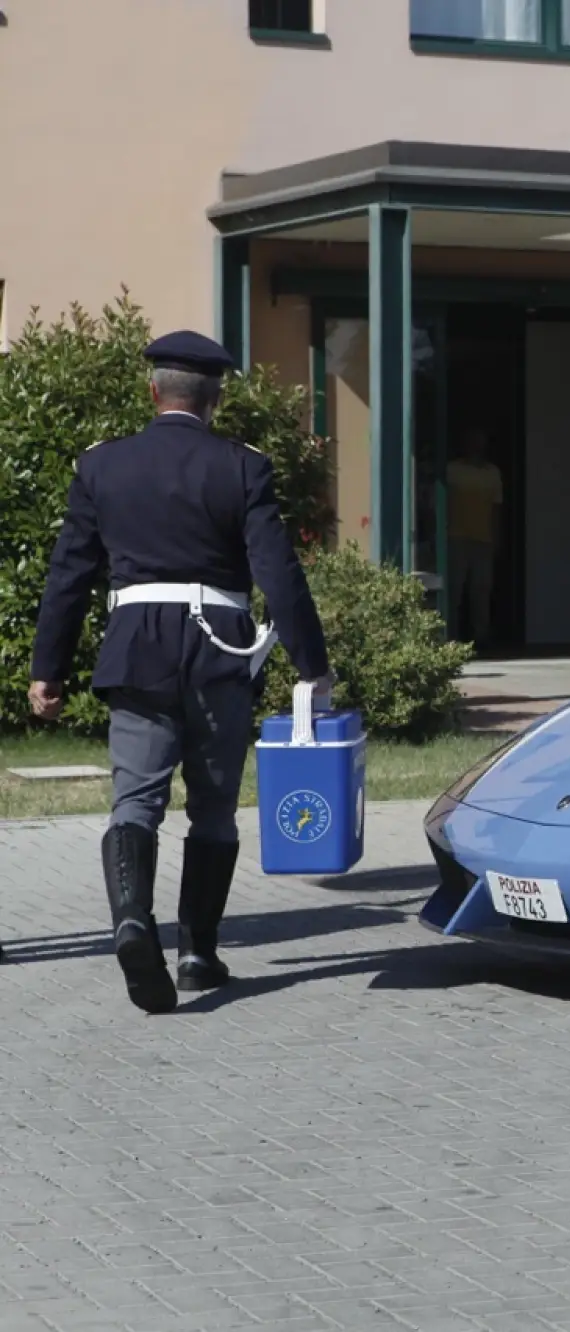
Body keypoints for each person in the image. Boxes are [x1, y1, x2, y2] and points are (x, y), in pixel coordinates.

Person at [28, 330, 332, 1015]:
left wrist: (48, 669)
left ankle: (133, 922)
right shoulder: (242, 467)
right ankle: (198, 952)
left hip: (136, 648)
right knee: (214, 808)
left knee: (135, 801)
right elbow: (277, 573)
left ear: (151, 392)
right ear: (215, 399)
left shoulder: (102, 466)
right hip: (219, 652)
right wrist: (312, 666)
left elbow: (69, 575)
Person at [446, 427, 503, 646]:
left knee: (481, 589)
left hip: (484, 538)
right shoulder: (452, 470)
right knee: (455, 589)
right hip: (456, 536)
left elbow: (497, 507)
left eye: (480, 440)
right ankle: (451, 636)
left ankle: (481, 636)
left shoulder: (492, 473)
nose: (476, 445)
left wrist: (497, 537)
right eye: (472, 440)